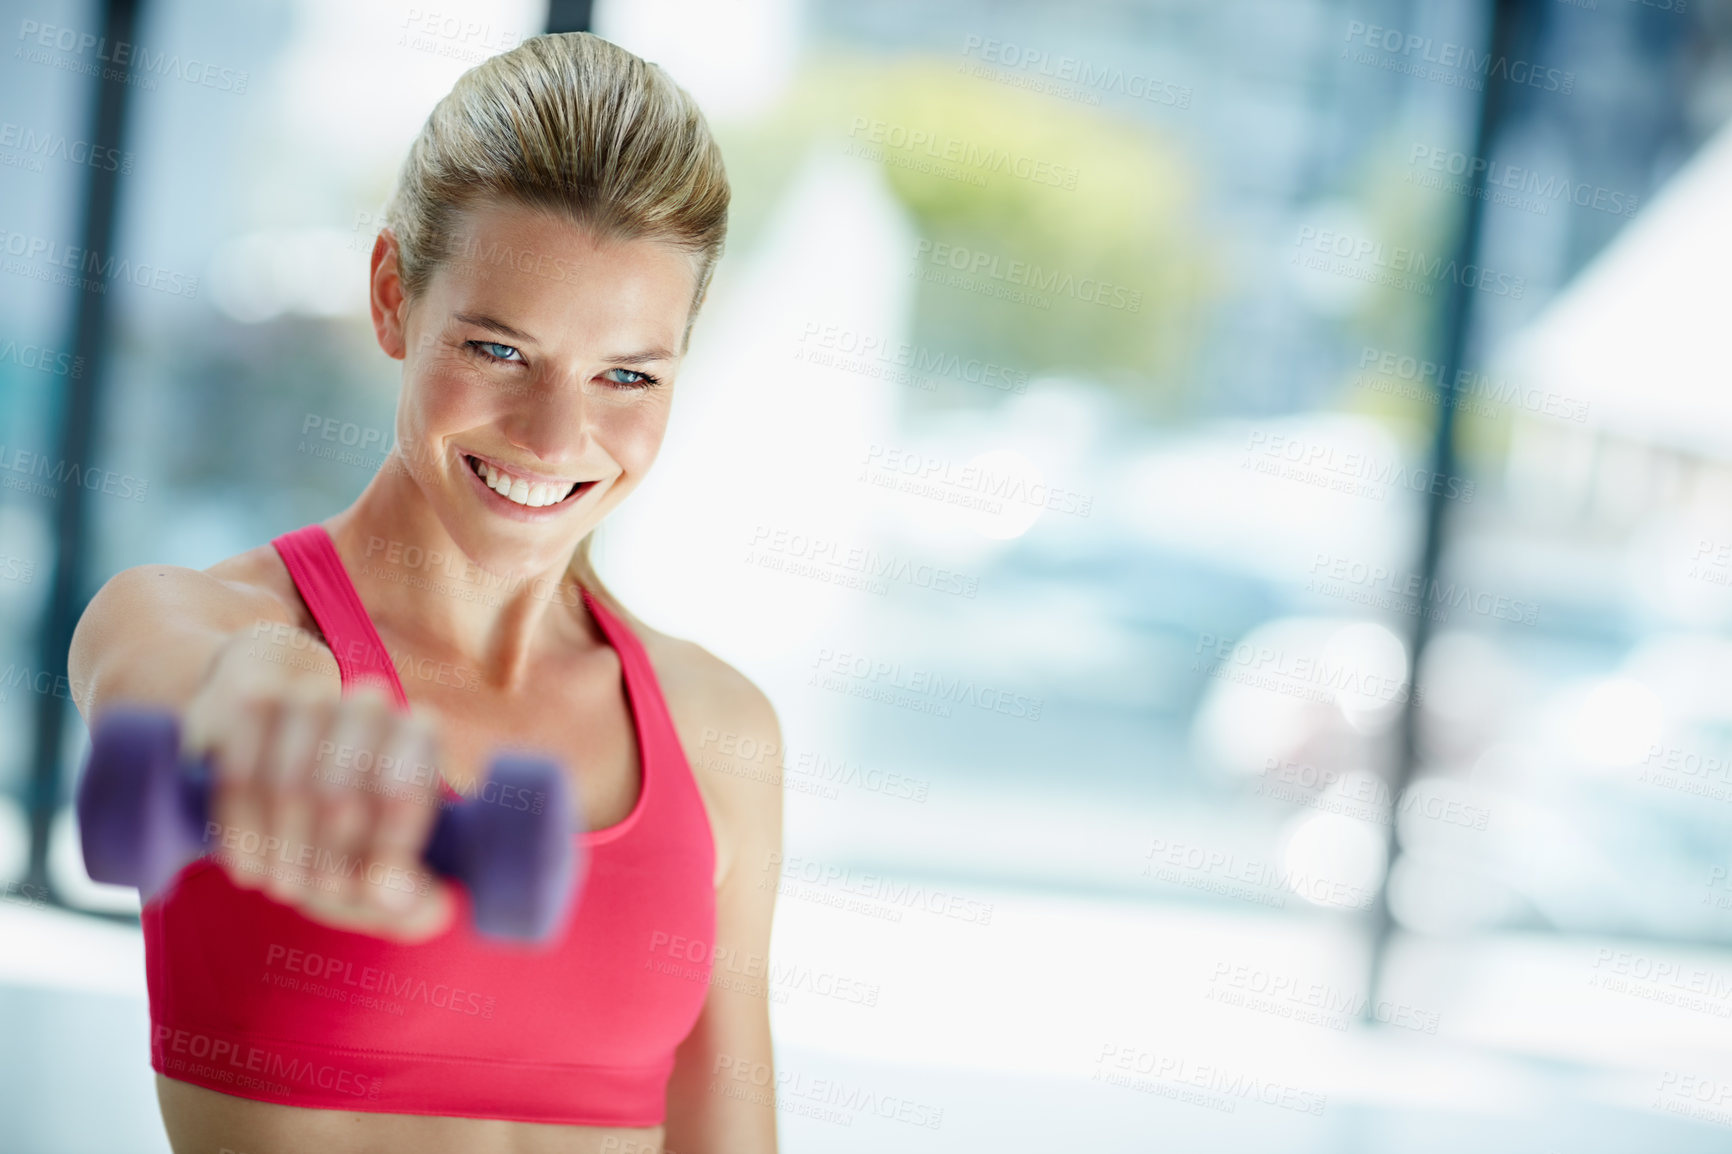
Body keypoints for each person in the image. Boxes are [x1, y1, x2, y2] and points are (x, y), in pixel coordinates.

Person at [68, 31, 781, 1154]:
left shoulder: (719, 727)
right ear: (394, 295)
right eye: (500, 350)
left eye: (627, 374)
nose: (556, 436)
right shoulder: (190, 619)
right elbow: (190, 670)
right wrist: (275, 695)